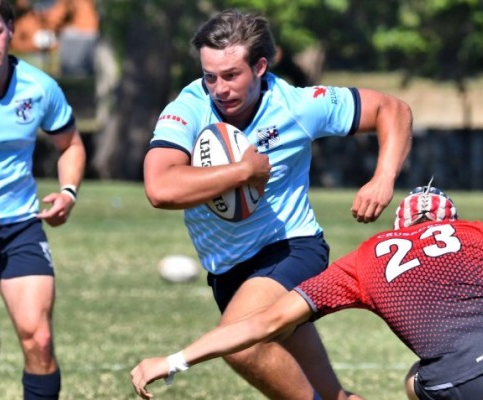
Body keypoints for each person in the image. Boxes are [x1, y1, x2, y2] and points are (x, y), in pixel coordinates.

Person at [131, 184, 483, 400]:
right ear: (449, 218)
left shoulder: (365, 261)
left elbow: (262, 323)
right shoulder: (475, 232)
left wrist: (175, 360)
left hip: (458, 384)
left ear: (399, 225)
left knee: (416, 382)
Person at [142, 8, 412, 400]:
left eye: (232, 75)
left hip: (291, 249)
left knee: (241, 345)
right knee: (333, 394)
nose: (219, 88)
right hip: (229, 272)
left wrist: (383, 178)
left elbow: (394, 109)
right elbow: (160, 188)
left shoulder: (297, 105)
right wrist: (242, 172)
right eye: (209, 76)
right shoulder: (188, 108)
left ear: (260, 67)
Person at [0, 0, 86, 399]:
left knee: (40, 339)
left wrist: (68, 191)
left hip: (21, 229)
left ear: (11, 29)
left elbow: (71, 146)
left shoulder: (39, 87)